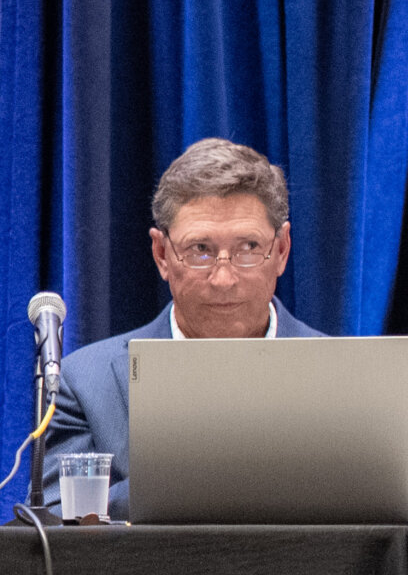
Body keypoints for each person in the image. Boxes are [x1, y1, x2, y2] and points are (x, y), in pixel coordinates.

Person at [43, 138, 324, 520]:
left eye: (248, 247)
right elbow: (56, 524)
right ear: (162, 254)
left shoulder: (343, 377)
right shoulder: (85, 384)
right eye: (200, 250)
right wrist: (199, 477)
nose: (224, 279)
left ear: (282, 250)